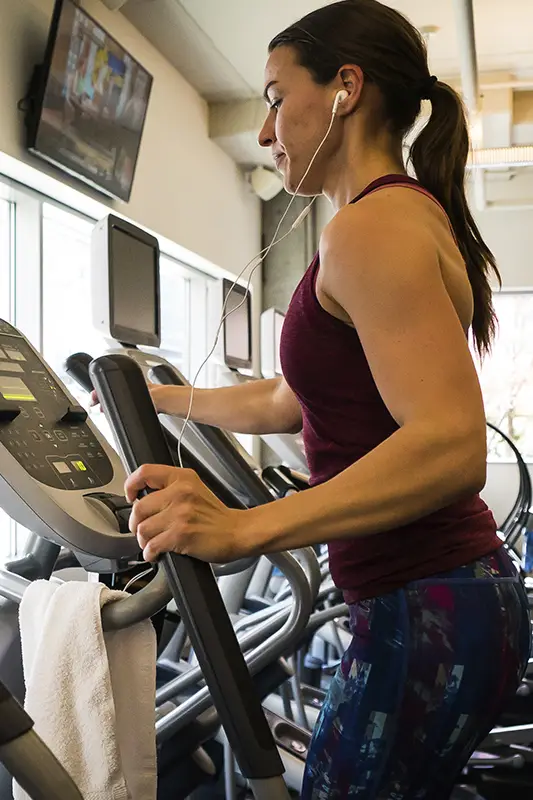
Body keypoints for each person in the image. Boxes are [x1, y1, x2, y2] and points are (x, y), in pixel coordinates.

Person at [119, 1, 531, 797]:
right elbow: (291, 399)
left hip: (427, 599)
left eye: (275, 97)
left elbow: (449, 447)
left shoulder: (370, 228)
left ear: (345, 88)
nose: (266, 131)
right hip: (437, 597)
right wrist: (158, 397)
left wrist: (246, 527)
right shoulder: (380, 220)